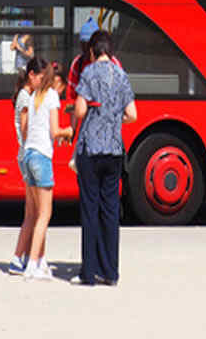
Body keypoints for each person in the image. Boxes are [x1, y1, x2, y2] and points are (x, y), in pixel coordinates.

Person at [71, 31, 137, 286]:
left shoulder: (88, 73)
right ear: (111, 51)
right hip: (114, 151)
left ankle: (89, 273)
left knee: (90, 210)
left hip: (91, 150)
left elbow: (79, 108)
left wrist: (89, 117)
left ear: (91, 51)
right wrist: (113, 119)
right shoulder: (121, 75)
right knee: (110, 212)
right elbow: (132, 114)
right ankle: (111, 272)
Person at [18, 56, 72, 280]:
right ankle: (32, 265)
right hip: (41, 157)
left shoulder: (33, 96)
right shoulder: (51, 97)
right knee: (44, 215)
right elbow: (54, 131)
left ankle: (40, 262)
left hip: (29, 155)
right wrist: (67, 131)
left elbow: (28, 128)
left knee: (35, 212)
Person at [9, 55, 44, 275]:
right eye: (41, 77)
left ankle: (20, 257)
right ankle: (28, 259)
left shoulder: (25, 95)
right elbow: (24, 128)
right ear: (31, 76)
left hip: (24, 156)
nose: (43, 82)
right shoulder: (25, 98)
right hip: (28, 155)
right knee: (36, 212)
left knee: (31, 212)